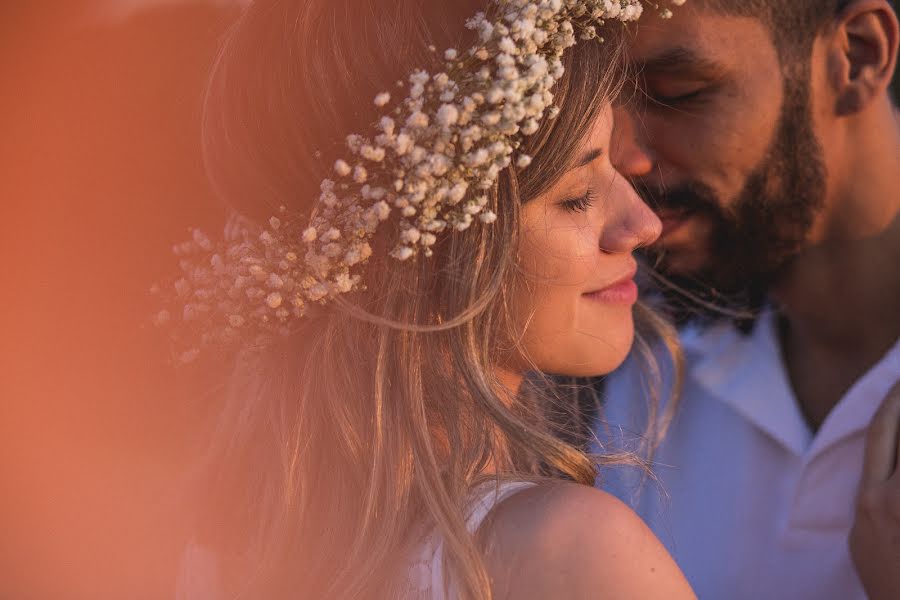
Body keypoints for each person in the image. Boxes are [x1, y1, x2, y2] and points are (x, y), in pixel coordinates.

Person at [164, 1, 697, 598]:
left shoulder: (220, 550)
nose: (643, 223)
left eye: (618, 175)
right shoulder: (565, 553)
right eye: (576, 195)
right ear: (427, 249)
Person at [599, 0, 900, 598]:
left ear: (857, 55)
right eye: (598, 105)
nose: (619, 155)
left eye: (677, 92)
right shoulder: (632, 353)